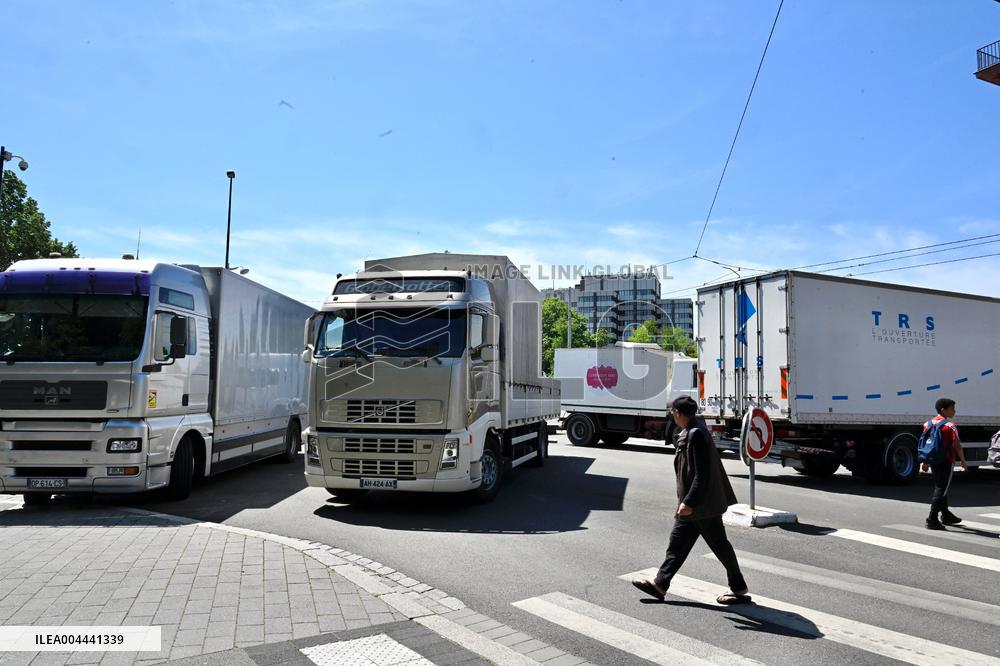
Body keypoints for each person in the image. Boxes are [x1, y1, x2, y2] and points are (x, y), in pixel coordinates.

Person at [632, 396, 750, 605]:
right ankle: (660, 584)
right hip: (695, 505)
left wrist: (689, 502)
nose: (672, 416)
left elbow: (702, 474)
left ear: (678, 413)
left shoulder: (696, 434)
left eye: (672, 413)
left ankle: (739, 589)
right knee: (677, 545)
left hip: (701, 506)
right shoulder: (691, 431)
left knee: (720, 546)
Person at [922, 397, 967, 530]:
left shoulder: (928, 424)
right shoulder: (950, 426)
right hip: (946, 460)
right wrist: (963, 461)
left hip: (934, 459)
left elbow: (926, 444)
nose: (954, 411)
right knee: (942, 487)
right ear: (943, 410)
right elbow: (957, 445)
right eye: (952, 408)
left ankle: (946, 514)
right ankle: (932, 518)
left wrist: (925, 461)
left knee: (940, 485)